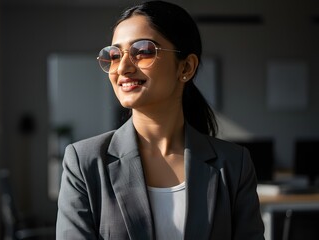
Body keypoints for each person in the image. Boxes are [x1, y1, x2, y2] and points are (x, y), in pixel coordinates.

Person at [56, 1, 265, 239]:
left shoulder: (233, 165)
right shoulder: (85, 163)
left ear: (186, 67)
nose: (123, 67)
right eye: (114, 55)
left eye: (143, 51)